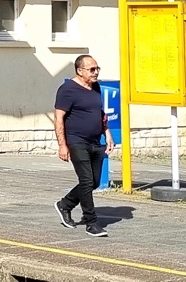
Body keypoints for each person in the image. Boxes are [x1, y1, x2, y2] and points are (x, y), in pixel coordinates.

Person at [54, 54, 113, 237]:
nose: (96, 72)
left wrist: (107, 133)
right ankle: (91, 222)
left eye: (97, 69)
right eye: (91, 69)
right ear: (80, 71)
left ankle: (65, 204)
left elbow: (100, 113)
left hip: (96, 141)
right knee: (86, 180)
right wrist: (63, 146)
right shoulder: (67, 90)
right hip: (76, 141)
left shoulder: (95, 87)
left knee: (94, 182)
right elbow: (58, 118)